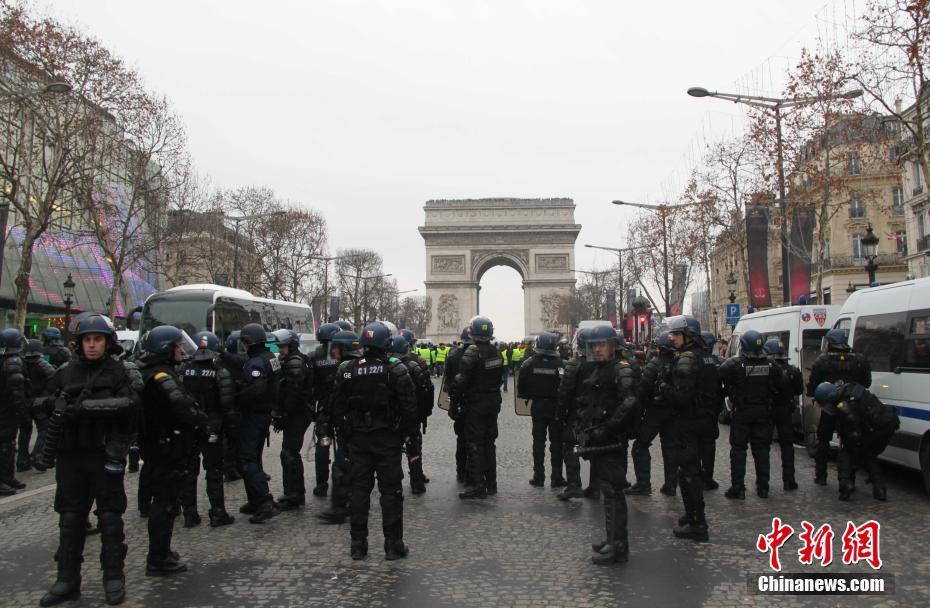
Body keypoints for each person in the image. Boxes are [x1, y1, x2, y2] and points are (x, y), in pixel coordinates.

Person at [35, 315, 138, 606]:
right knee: (70, 519)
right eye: (87, 340)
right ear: (80, 343)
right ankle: (67, 579)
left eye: (98, 339)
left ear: (107, 342)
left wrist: (86, 408)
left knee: (109, 518)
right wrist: (51, 406)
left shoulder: (120, 371)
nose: (92, 345)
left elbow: (131, 404)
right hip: (71, 456)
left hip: (104, 453)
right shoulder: (65, 372)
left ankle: (113, 577)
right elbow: (37, 401)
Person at [330, 322, 418, 560]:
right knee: (391, 492)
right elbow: (410, 409)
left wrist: (345, 438)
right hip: (388, 439)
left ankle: (358, 545)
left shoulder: (347, 369)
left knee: (359, 491)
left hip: (358, 439)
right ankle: (393, 545)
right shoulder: (395, 369)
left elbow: (337, 408)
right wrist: (412, 441)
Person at [136, 326, 206, 577]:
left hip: (159, 446)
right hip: (166, 448)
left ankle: (162, 552)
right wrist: (200, 419)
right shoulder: (161, 376)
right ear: (166, 349)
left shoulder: (153, 372)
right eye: (177, 346)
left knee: (166, 503)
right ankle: (158, 558)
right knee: (165, 505)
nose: (180, 350)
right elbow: (182, 407)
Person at [571, 325, 639, 565]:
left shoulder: (620, 369)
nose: (597, 350)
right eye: (593, 346)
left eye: (602, 345)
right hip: (600, 436)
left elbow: (629, 402)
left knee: (613, 491)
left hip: (611, 438)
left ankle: (618, 544)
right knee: (610, 491)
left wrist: (608, 428)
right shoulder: (602, 368)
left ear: (613, 346)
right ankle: (613, 539)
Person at [663, 315, 717, 543]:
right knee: (692, 471)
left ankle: (697, 523)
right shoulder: (708, 358)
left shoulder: (687, 360)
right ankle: (693, 513)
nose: (672, 338)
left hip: (689, 421)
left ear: (689, 336)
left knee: (688, 473)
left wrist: (664, 387)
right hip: (705, 419)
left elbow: (681, 397)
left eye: (676, 334)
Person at [718, 330, 784, 500]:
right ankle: (763, 487)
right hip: (763, 412)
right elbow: (782, 384)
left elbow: (720, 378)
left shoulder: (734, 364)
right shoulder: (771, 365)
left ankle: (738, 488)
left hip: (742, 412)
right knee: (762, 450)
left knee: (739, 450)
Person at [179, 331, 237, 527]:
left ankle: (189, 513)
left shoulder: (183, 369)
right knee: (214, 469)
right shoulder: (219, 371)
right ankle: (218, 512)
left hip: (190, 425)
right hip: (213, 425)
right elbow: (227, 403)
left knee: (188, 470)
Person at [813, 381, 899, 501]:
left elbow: (853, 430)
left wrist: (852, 440)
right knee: (869, 454)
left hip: (874, 429)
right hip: (887, 424)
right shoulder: (851, 389)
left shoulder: (843, 406)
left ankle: (845, 486)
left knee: (845, 454)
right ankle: (880, 490)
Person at [806, 329, 871, 486]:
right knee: (849, 442)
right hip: (853, 407)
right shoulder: (859, 359)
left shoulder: (822, 360)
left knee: (823, 441)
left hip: (830, 407)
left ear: (829, 342)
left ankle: (821, 476)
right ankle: (849, 478)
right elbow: (866, 383)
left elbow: (813, 385)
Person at [453, 316, 504, 499]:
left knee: (474, 443)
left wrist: (453, 403)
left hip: (476, 403)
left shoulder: (471, 354)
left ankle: (477, 485)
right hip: (493, 402)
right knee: (490, 443)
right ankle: (492, 483)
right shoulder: (497, 353)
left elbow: (461, 381)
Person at [316, 329, 363, 524]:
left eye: (334, 348)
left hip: (349, 426)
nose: (331, 352)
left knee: (341, 467)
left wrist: (327, 419)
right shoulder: (364, 365)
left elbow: (336, 400)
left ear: (342, 348)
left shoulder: (344, 369)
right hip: (364, 427)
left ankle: (340, 508)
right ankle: (354, 503)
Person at [235, 323, 281, 523]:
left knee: (247, 459)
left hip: (254, 414)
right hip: (265, 412)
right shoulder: (271, 357)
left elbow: (258, 388)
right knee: (254, 456)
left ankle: (264, 501)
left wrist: (238, 397)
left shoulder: (255, 362)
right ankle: (255, 499)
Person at [627, 331, 677, 496]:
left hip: (655, 410)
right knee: (670, 447)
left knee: (640, 446)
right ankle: (670, 484)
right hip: (673, 410)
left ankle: (643, 483)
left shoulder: (654, 364)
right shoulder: (680, 362)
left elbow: (643, 389)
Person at [271, 329, 314, 511]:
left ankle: (295, 495)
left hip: (297, 414)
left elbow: (294, 392)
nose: (280, 350)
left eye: (282, 346)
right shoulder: (290, 360)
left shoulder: (295, 362)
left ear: (291, 345)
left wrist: (283, 413)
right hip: (295, 413)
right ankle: (292, 492)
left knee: (290, 454)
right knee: (287, 453)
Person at [517, 332, 565, 488]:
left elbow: (521, 386)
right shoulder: (561, 364)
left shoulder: (528, 363)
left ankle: (538, 476)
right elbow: (566, 387)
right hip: (556, 407)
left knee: (538, 443)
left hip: (537, 406)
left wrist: (527, 396)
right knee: (556, 443)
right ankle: (557, 477)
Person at [393, 330, 434, 494]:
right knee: (414, 445)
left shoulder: (386, 364)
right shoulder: (417, 362)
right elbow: (427, 389)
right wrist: (424, 412)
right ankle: (417, 480)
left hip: (392, 414)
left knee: (393, 447)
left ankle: (393, 479)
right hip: (412, 413)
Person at [556, 327, 594, 501]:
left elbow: (564, 392)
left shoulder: (572, 365)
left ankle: (574, 486)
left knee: (569, 447)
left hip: (575, 414)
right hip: (596, 414)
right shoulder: (603, 364)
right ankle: (596, 486)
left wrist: (560, 413)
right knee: (597, 449)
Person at [764, 337, 803, 491]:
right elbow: (799, 390)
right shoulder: (793, 369)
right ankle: (789, 480)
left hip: (768, 410)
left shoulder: (766, 369)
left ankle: (764, 481)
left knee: (764, 446)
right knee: (787, 446)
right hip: (786, 410)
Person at [308, 322, 341, 497]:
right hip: (341, 408)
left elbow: (310, 386)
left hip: (323, 408)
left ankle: (321, 484)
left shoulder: (313, 356)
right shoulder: (342, 355)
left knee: (323, 445)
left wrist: (313, 408)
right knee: (343, 445)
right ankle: (341, 480)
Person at [20, 339, 57, 472]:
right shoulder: (42, 364)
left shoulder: (21, 363)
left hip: (26, 401)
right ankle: (37, 455)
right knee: (44, 428)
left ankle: (22, 460)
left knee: (25, 431)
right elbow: (54, 380)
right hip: (39, 402)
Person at [0, 328, 28, 497]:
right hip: (6, 410)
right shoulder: (12, 362)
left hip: (6, 409)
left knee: (8, 445)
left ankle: (7, 477)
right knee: (4, 445)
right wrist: (23, 413)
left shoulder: (7, 360)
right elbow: (17, 392)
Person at [697, 331, 725, 490]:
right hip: (712, 410)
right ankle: (708, 477)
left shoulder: (692, 359)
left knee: (693, 444)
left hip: (695, 409)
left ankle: (694, 475)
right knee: (708, 445)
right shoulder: (718, 362)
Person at [444, 327, 471, 482]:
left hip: (459, 403)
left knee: (461, 439)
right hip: (477, 404)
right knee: (480, 440)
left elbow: (447, 381)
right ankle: (481, 475)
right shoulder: (484, 355)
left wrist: (453, 402)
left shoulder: (453, 356)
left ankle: (461, 472)